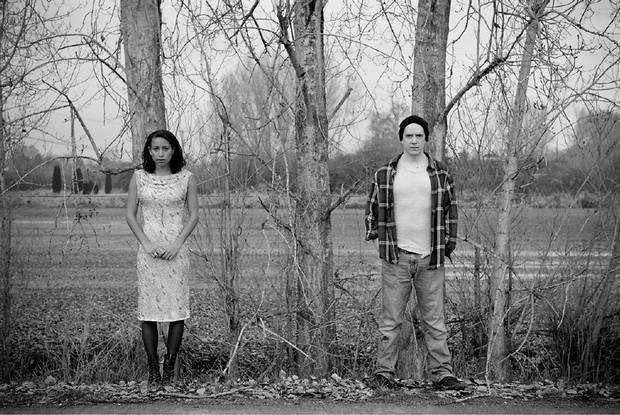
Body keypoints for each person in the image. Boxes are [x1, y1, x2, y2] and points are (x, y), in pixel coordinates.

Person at [364, 115, 465, 391]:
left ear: (426, 139)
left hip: (429, 258)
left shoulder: (440, 173)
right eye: (409, 136)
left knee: (435, 321)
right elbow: (372, 208)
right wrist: (376, 237)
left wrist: (447, 246)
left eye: (419, 136)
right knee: (390, 321)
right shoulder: (385, 173)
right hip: (396, 258)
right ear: (401, 139)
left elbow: (451, 211)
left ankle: (443, 375)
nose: (414, 140)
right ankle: (384, 373)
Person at [126, 129, 199, 386]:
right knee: (148, 311)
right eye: (155, 148)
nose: (160, 153)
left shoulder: (187, 178)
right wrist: (146, 243)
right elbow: (130, 215)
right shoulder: (139, 178)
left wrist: (177, 244)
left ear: (173, 150)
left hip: (176, 254)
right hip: (148, 255)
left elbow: (194, 216)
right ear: (149, 150)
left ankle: (169, 368)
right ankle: (153, 371)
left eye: (165, 148)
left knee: (176, 310)